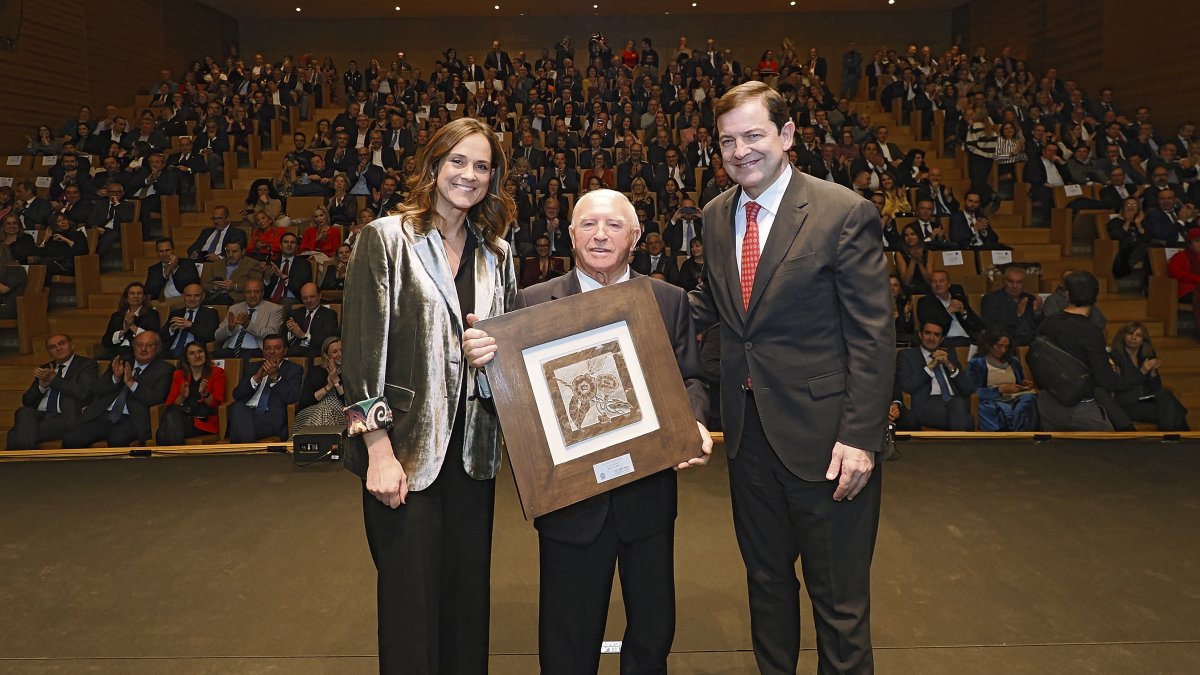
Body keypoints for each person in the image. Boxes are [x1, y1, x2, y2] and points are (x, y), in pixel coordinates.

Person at [462, 189, 712, 675]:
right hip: (571, 504)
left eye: (614, 225)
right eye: (589, 225)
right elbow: (510, 399)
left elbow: (692, 377)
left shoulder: (669, 300)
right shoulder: (529, 303)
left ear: (636, 236)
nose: (601, 235)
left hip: (649, 496)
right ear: (570, 234)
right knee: (567, 638)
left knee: (653, 631)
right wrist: (486, 369)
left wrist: (695, 420)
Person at [688, 81, 893, 674]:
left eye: (753, 135)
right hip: (749, 441)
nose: (740, 150)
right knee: (767, 587)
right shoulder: (715, 214)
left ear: (787, 135)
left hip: (829, 443)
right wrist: (616, 310)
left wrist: (860, 438)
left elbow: (873, 335)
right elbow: (712, 303)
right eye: (728, 140)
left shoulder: (843, 212)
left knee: (840, 606)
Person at [340, 117, 518, 674]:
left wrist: (493, 355)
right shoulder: (386, 239)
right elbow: (362, 350)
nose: (468, 174)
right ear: (434, 166)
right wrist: (378, 450)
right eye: (457, 161)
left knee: (467, 608)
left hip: (474, 453)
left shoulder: (498, 252)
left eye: (482, 165)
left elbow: (506, 346)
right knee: (411, 613)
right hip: (405, 455)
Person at [1034, 271, 1130, 431]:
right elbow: (1104, 379)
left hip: (1047, 402)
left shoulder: (1048, 322)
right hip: (1079, 408)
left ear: (1067, 294)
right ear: (1095, 295)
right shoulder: (1090, 331)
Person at [60, 331, 173, 448]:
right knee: (71, 437)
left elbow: (155, 398)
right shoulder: (121, 362)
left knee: (117, 439)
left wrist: (131, 383)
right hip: (103, 415)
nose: (143, 349)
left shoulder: (164, 370)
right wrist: (115, 378)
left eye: (149, 345)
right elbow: (97, 390)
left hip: (132, 419)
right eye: (139, 345)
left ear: (157, 348)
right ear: (133, 347)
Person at [7, 334, 99, 450]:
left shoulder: (86, 365)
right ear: (49, 352)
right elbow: (27, 401)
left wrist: (54, 380)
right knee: (24, 412)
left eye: (62, 343)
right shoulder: (45, 367)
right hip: (41, 415)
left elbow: (83, 392)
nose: (58, 348)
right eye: (52, 347)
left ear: (72, 345)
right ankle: (26, 463)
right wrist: (42, 386)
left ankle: (20, 464)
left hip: (65, 417)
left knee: (15, 433)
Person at [898, 321, 976, 431]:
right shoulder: (907, 355)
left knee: (960, 409)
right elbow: (908, 385)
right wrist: (930, 367)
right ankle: (961, 446)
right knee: (966, 418)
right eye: (928, 333)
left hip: (954, 405)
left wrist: (949, 365)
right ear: (920, 335)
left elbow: (968, 388)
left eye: (936, 335)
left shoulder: (950, 355)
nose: (931, 338)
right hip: (926, 405)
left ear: (942, 339)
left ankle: (956, 446)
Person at [226, 334, 303, 442]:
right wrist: (256, 378)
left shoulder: (294, 369)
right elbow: (237, 394)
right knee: (238, 408)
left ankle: (243, 454)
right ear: (263, 351)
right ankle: (249, 455)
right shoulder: (253, 366)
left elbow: (292, 397)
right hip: (246, 413)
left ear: (285, 351)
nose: (272, 352)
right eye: (267, 348)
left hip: (270, 418)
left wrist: (275, 377)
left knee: (239, 425)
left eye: (277, 348)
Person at [155, 342, 226, 445]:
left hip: (202, 421)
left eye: (200, 351)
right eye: (192, 353)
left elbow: (216, 406)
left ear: (205, 354)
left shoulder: (217, 373)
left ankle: (171, 458)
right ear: (187, 358)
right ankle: (177, 458)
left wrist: (205, 394)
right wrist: (182, 396)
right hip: (182, 416)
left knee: (165, 428)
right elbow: (170, 404)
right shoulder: (179, 375)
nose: (197, 356)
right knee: (172, 416)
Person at [968, 328, 1038, 431]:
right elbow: (973, 391)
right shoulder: (977, 363)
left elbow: (1019, 382)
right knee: (988, 408)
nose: (1003, 350)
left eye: (1006, 347)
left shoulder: (1013, 361)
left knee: (1029, 399)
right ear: (989, 344)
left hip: (1015, 399)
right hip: (992, 400)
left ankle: (1022, 434)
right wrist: (1000, 389)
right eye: (999, 346)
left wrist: (1024, 384)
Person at [213, 278, 283, 359]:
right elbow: (217, 336)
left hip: (255, 349)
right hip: (231, 348)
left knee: (245, 359)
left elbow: (272, 334)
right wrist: (230, 328)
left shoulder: (274, 309)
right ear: (244, 294)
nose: (252, 295)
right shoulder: (234, 308)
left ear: (262, 293)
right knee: (208, 357)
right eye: (248, 292)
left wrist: (247, 324)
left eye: (256, 292)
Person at [917, 270, 986, 347]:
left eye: (941, 281)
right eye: (934, 282)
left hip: (968, 338)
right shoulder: (925, 302)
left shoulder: (957, 297)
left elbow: (979, 325)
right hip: (945, 340)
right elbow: (930, 327)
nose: (938, 284)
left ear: (949, 284)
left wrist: (964, 312)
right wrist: (947, 311)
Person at [292, 336, 346, 435]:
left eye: (342, 350)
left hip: (340, 413)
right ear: (326, 355)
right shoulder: (316, 371)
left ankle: (309, 445)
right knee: (323, 412)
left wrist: (336, 382)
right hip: (310, 412)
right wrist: (328, 387)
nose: (340, 354)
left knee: (325, 412)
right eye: (335, 352)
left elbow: (348, 401)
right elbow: (306, 401)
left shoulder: (350, 373)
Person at [980, 266, 1043, 346]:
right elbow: (992, 326)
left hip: (1032, 342)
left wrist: (1037, 312)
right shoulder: (991, 299)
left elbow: (1042, 326)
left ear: (1024, 283)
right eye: (1010, 281)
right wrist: (1017, 314)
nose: (1014, 286)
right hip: (1007, 343)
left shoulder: (1030, 299)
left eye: (1019, 282)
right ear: (1004, 281)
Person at [101, 282, 162, 360]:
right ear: (126, 297)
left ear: (144, 297)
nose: (135, 296)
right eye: (132, 293)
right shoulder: (117, 316)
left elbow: (154, 340)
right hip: (116, 351)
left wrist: (132, 327)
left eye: (139, 293)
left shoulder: (152, 315)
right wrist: (123, 331)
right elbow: (106, 341)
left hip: (138, 352)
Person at [160, 283, 220, 359]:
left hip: (194, 353)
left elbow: (211, 335)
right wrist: (171, 330)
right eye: (188, 295)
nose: (192, 299)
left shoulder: (210, 313)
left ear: (203, 297)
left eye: (196, 295)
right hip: (171, 351)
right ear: (183, 297)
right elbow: (161, 336)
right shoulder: (176, 313)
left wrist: (190, 325)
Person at [284, 282, 339, 357]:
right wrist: (291, 333)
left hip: (315, 351)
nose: (309, 301)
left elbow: (327, 339)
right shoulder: (294, 314)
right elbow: (283, 336)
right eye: (305, 298)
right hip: (294, 350)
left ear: (319, 295)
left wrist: (303, 336)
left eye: (312, 297)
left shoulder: (329, 315)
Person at [144, 237, 201, 307]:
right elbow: (149, 291)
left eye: (167, 250)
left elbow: (191, 284)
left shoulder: (187, 263)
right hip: (163, 300)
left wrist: (174, 268)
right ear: (157, 252)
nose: (164, 254)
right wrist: (165, 274)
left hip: (183, 298)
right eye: (161, 251)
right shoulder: (154, 269)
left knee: (163, 306)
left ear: (173, 250)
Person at [1167, 229, 1200, 337]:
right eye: (1197, 241)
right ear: (1190, 243)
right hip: (1188, 290)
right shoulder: (1181, 256)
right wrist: (1197, 279)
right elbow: (1176, 273)